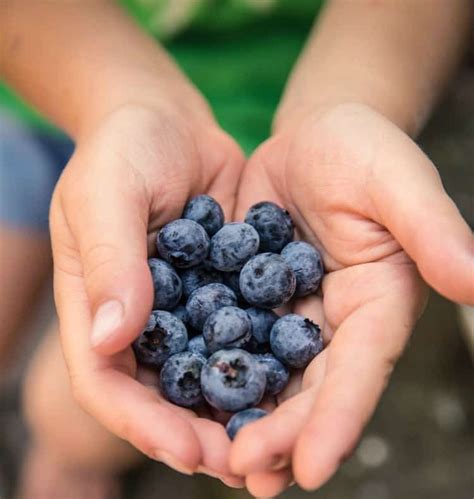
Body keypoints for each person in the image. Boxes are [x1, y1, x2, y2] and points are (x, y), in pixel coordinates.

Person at [1, 1, 473, 497]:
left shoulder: (244, 291)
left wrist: (352, 102)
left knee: (73, 414)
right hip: (51, 87)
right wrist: (123, 104)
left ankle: (70, 458)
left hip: (271, 124)